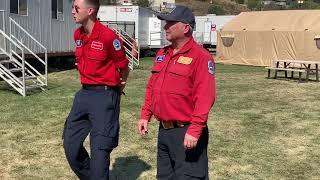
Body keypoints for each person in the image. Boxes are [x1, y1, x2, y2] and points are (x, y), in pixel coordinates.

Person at [138, 5, 216, 180]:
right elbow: (152, 87)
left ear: (186, 28)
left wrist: (195, 129)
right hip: (164, 132)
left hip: (186, 132)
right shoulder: (162, 54)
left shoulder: (201, 57)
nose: (165, 27)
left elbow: (205, 97)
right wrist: (145, 115)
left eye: (170, 23)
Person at [62, 0, 131, 179]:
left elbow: (124, 66)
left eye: (76, 8)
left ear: (90, 10)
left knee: (100, 151)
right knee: (70, 144)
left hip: (105, 95)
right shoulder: (78, 35)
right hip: (83, 94)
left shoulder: (109, 37)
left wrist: (117, 91)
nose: (72, 12)